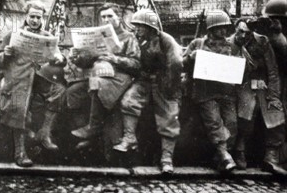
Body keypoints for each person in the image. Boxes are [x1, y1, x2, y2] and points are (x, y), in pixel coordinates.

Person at [0, 0, 66, 166]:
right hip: (18, 79)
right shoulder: (12, 36)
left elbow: (60, 59)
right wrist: (5, 54)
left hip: (40, 78)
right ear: (26, 16)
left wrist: (60, 59)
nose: (35, 20)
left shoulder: (47, 37)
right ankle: (20, 152)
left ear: (42, 18)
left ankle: (45, 133)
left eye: (38, 17)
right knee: (19, 107)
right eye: (32, 16)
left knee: (59, 90)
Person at [113, 9, 182, 175]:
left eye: (141, 26)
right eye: (136, 26)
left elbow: (176, 63)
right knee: (128, 101)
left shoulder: (166, 40)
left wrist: (170, 86)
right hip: (144, 81)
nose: (137, 30)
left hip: (164, 82)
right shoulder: (138, 40)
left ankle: (167, 158)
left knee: (169, 117)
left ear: (150, 27)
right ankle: (129, 138)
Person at [70, 2, 141, 148]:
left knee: (96, 84)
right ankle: (84, 129)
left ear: (119, 17)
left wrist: (115, 59)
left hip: (120, 76)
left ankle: (93, 128)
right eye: (103, 17)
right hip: (99, 74)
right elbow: (86, 62)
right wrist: (77, 57)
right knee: (73, 92)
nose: (106, 20)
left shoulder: (129, 37)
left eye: (110, 16)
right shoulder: (98, 35)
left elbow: (136, 64)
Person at [230, 19, 286, 175]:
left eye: (247, 32)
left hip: (262, 84)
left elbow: (273, 71)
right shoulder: (230, 44)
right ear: (235, 29)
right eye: (240, 31)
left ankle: (271, 155)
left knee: (275, 110)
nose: (243, 35)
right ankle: (239, 149)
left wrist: (274, 95)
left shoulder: (262, 42)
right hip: (242, 84)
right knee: (247, 110)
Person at [183, 10, 237, 172]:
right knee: (214, 122)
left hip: (225, 92)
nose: (224, 31)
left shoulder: (231, 45)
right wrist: (192, 57)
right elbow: (181, 63)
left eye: (225, 28)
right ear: (211, 29)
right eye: (220, 28)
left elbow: (243, 65)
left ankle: (220, 157)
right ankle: (224, 155)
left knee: (232, 123)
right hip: (204, 92)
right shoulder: (197, 44)